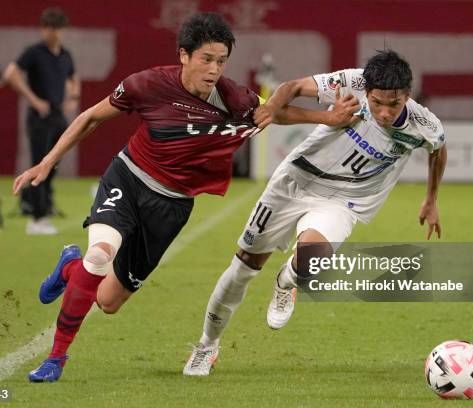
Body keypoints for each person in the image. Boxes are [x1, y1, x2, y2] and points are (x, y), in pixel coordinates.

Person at [12, 12, 355, 383]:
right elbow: (91, 117)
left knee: (108, 302)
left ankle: (68, 268)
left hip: (171, 207)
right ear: (184, 55)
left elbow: (272, 112)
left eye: (221, 61)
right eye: (206, 59)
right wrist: (46, 163)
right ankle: (56, 359)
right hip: (128, 180)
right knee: (99, 256)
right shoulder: (147, 84)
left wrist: (328, 118)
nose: (213, 69)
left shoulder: (234, 99)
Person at [183, 50, 448, 376]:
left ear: (408, 95)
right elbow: (291, 87)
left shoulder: (424, 125)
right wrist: (269, 111)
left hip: (344, 200)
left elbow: (438, 150)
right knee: (243, 270)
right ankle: (207, 345)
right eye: (377, 102)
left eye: (393, 105)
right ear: (367, 90)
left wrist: (431, 199)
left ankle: (288, 280)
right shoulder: (350, 82)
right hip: (294, 182)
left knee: (311, 259)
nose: (383, 112)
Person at [4, 7, 79, 235]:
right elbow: (10, 73)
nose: (53, 33)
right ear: (43, 29)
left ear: (63, 30)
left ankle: (44, 207)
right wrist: (34, 100)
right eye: (49, 28)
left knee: (54, 163)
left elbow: (73, 77)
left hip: (58, 116)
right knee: (40, 163)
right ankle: (36, 219)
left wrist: (73, 97)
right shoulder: (34, 52)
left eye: (57, 28)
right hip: (39, 117)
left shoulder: (65, 54)